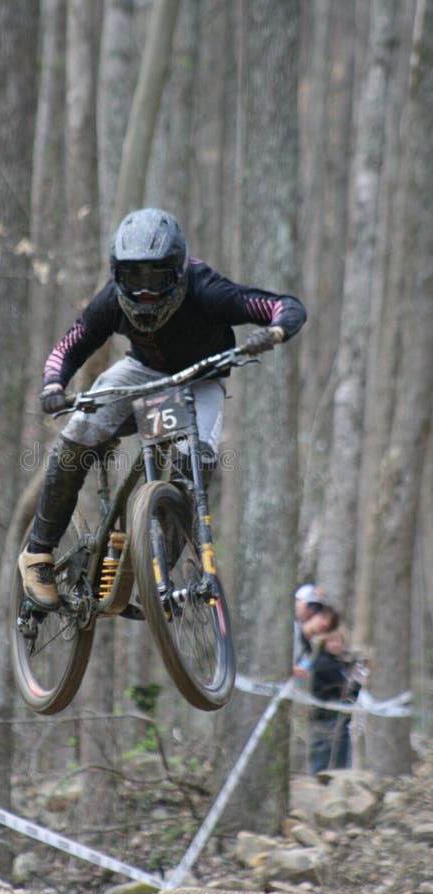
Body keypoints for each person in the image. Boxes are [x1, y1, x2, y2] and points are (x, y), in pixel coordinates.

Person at [18, 208, 307, 608]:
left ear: (178, 270)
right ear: (118, 274)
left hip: (202, 379)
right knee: (78, 435)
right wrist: (54, 384)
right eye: (134, 277)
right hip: (141, 371)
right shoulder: (110, 303)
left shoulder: (207, 290)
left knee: (195, 466)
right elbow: (70, 346)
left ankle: (152, 567)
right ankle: (38, 555)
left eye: (157, 276)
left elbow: (283, 305)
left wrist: (273, 332)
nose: (146, 291)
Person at [309, 628, 363, 774]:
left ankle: (339, 776)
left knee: (342, 750)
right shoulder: (323, 662)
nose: (336, 645)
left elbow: (352, 689)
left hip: (343, 715)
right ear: (324, 644)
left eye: (339, 641)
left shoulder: (342, 664)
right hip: (325, 716)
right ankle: (317, 776)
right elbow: (342, 685)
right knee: (323, 750)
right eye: (332, 641)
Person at [293, 603, 340, 682]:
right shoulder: (292, 632)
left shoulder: (309, 652)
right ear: (314, 614)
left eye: (330, 624)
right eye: (323, 617)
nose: (325, 624)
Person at [293, 583, 324, 672]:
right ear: (297, 602)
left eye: (317, 608)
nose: (312, 610)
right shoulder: (286, 626)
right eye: (309, 605)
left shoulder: (307, 631)